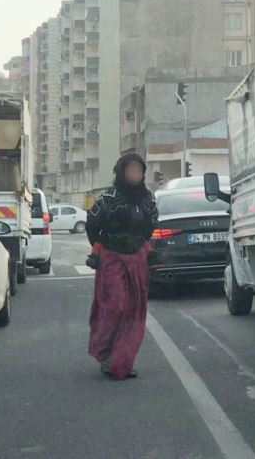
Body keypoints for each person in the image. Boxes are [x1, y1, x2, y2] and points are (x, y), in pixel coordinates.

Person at [86, 153, 158, 380]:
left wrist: (138, 244)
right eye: (131, 170)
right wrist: (101, 247)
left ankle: (122, 361)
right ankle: (105, 354)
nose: (135, 174)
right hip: (111, 258)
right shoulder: (108, 198)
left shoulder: (148, 199)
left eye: (139, 171)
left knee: (134, 310)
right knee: (116, 306)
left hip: (136, 259)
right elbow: (91, 224)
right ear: (121, 172)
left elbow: (151, 225)